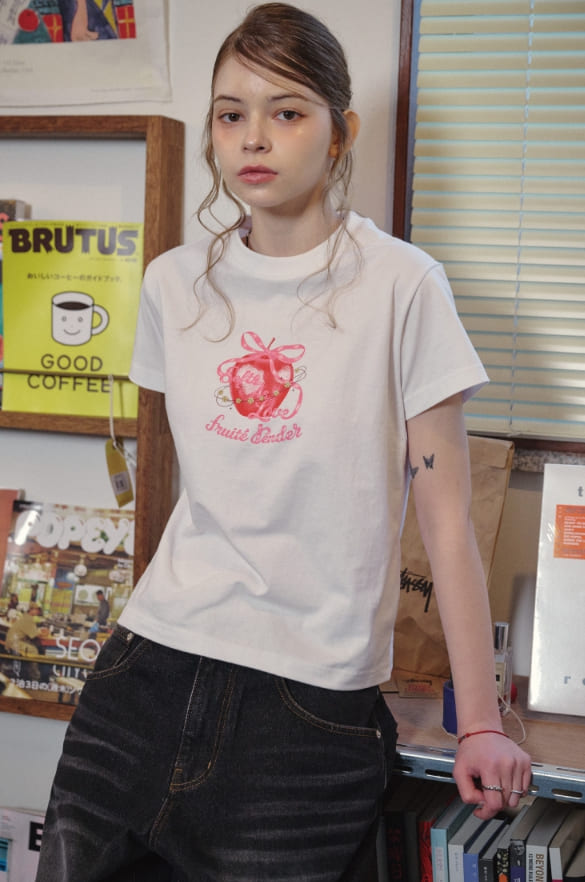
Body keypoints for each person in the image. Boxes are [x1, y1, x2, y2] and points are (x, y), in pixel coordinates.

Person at [35, 4, 532, 881]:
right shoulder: (174, 284)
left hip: (306, 705)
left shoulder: (401, 286)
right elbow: (198, 488)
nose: (253, 137)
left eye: (287, 111)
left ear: (341, 133)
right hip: (145, 670)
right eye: (231, 114)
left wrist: (480, 724)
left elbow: (446, 523)